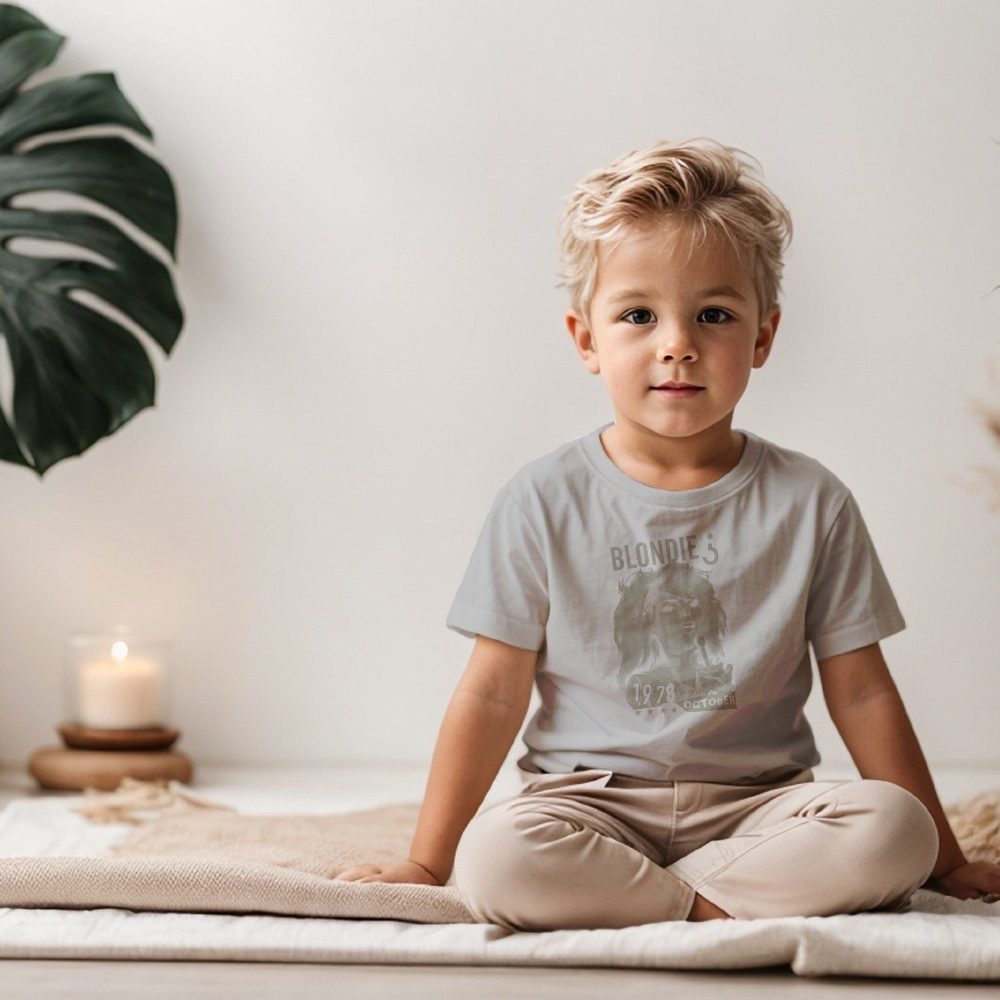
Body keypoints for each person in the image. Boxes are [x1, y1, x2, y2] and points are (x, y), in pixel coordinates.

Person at [335, 137, 1000, 929]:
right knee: (497, 858)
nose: (677, 343)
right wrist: (428, 860)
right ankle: (718, 906)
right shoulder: (541, 500)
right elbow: (491, 690)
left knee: (895, 830)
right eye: (638, 315)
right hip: (589, 805)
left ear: (762, 336)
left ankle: (656, 903)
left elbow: (861, 690)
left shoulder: (812, 502)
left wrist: (945, 861)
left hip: (757, 811)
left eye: (714, 315)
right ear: (587, 339)